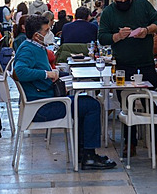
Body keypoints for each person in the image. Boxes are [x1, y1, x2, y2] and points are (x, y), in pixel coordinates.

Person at [14, 15, 116, 170]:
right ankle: (88, 155)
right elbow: (20, 71)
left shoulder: (34, 47)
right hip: (42, 107)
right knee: (92, 105)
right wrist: (46, 74)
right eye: (47, 30)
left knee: (84, 104)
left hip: (46, 100)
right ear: (36, 35)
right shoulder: (28, 50)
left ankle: (83, 152)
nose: (49, 33)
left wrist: (55, 73)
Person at [98, 0, 157, 157]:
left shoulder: (142, 5)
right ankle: (130, 142)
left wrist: (147, 30)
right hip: (124, 65)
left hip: (146, 63)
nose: (122, 2)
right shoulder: (108, 13)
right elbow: (102, 37)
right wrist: (117, 36)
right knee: (126, 105)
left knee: (151, 102)